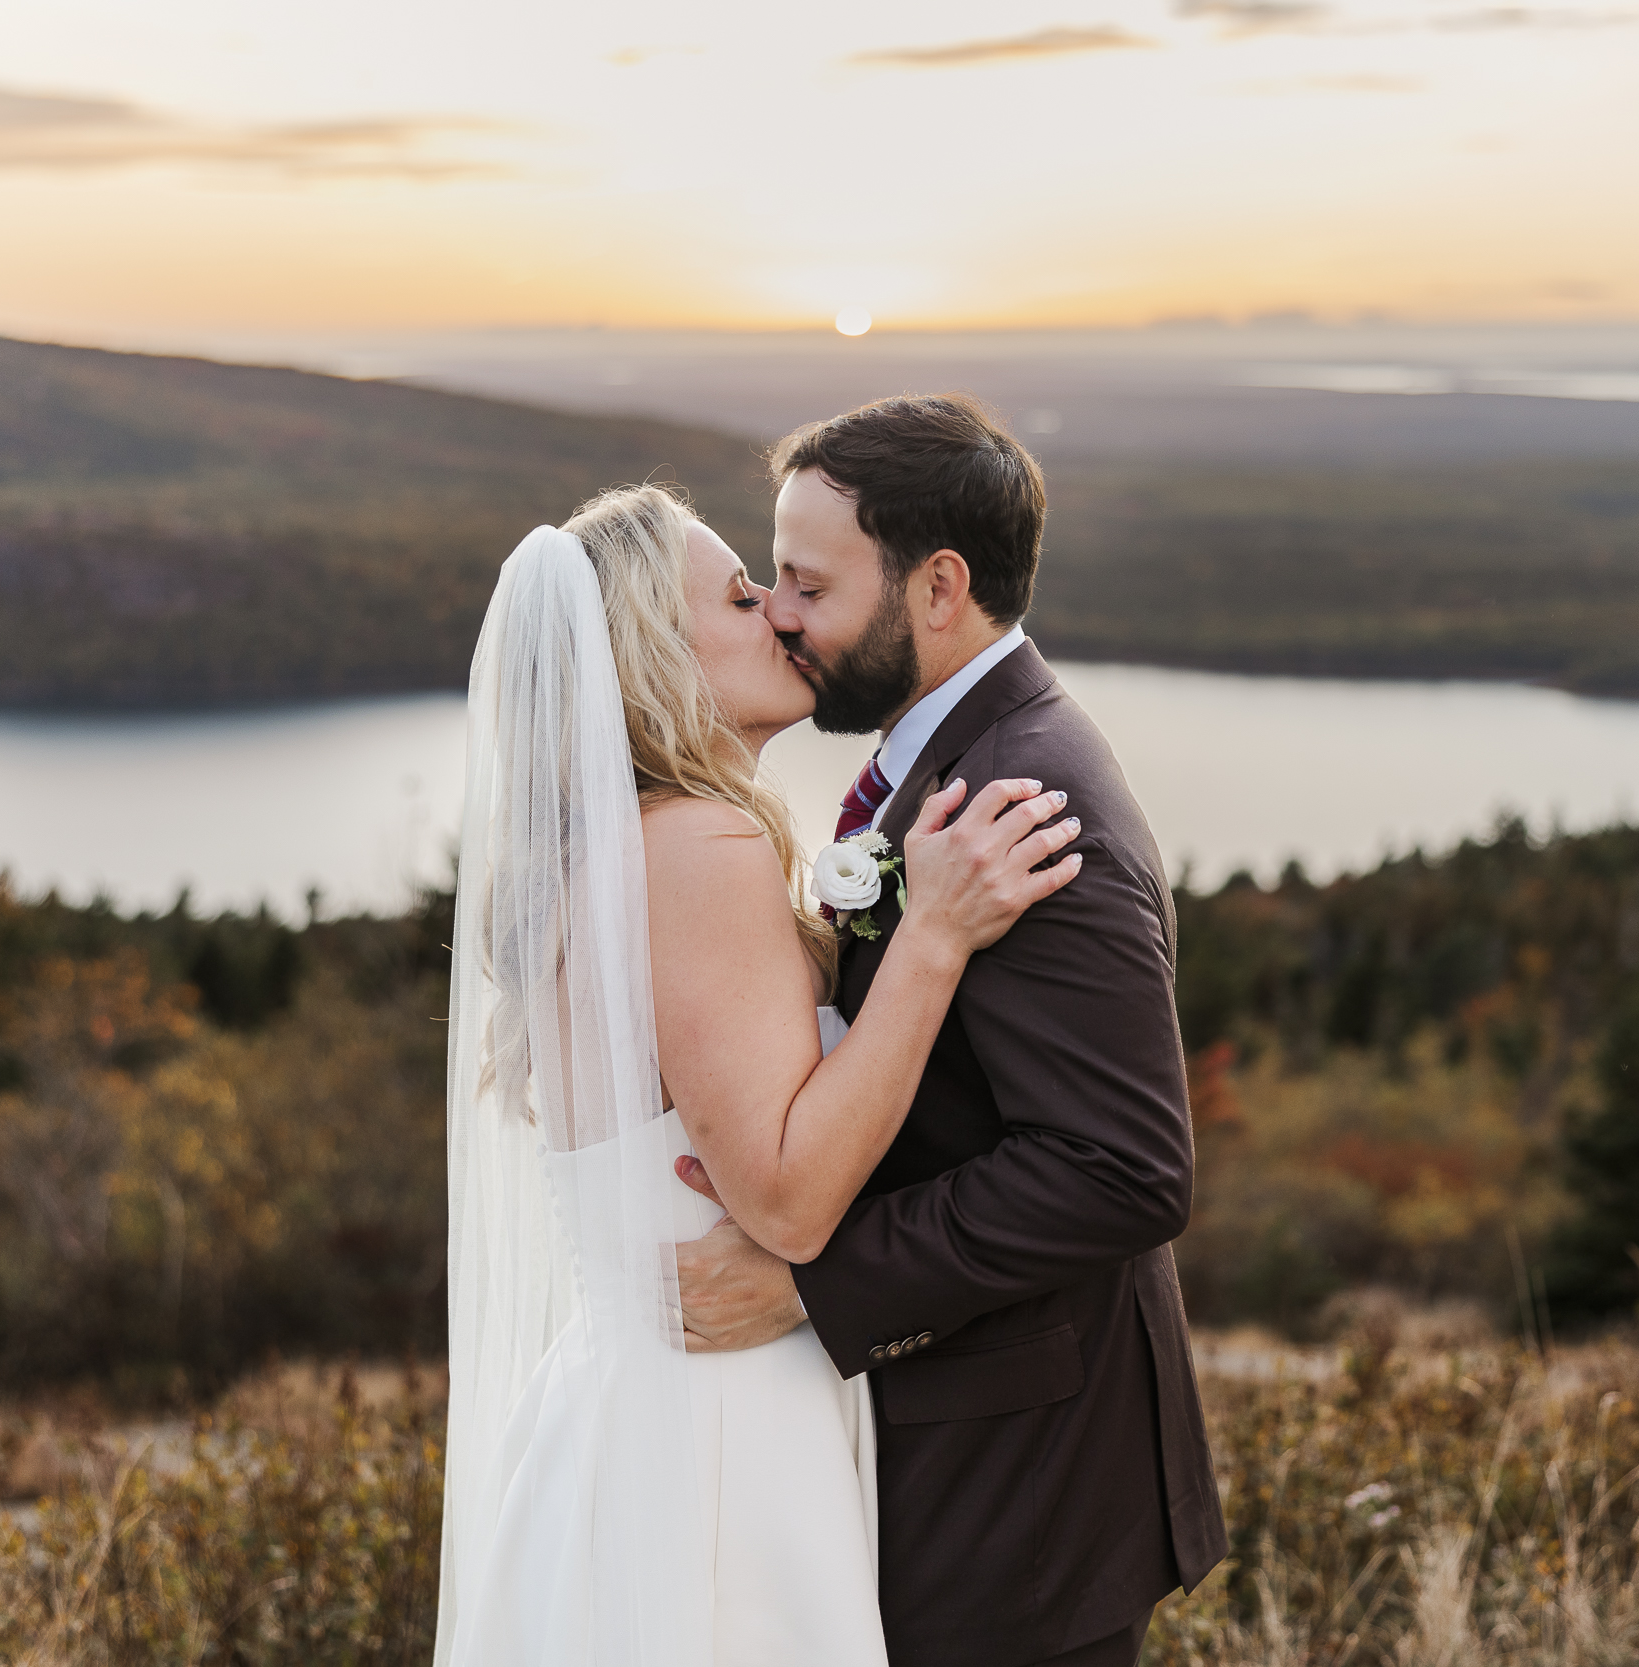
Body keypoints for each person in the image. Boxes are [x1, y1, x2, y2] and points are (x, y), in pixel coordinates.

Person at [435, 485, 1080, 1667]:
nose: (782, 616)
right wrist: (931, 937)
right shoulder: (696, 845)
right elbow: (784, 1198)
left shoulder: (620, 846)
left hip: (634, 1409)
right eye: (741, 595)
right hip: (717, 1436)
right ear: (652, 651)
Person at [674, 394, 1229, 1667]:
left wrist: (819, 1284)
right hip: (978, 1457)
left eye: (809, 582)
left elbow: (1121, 1168)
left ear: (937, 586)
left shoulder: (1028, 808)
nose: (781, 613)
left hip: (1025, 1493)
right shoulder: (941, 767)